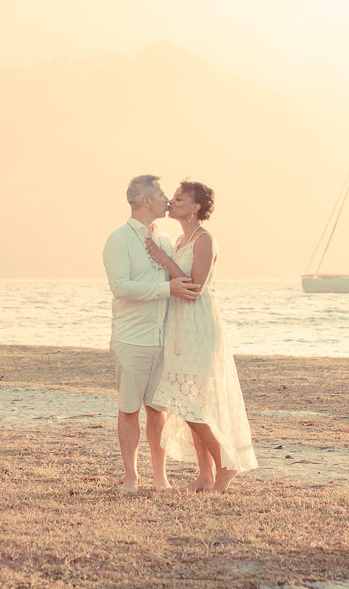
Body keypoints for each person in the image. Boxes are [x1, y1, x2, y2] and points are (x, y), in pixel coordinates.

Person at [147, 180, 257, 492]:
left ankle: (227, 463)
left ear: (196, 207)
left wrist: (163, 259)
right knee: (194, 401)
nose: (172, 202)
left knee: (187, 404)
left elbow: (194, 290)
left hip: (199, 326)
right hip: (179, 326)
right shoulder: (182, 238)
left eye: (179, 199)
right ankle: (205, 476)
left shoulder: (205, 240)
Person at [102, 175, 201, 493]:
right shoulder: (118, 240)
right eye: (160, 194)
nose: (166, 199)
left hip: (164, 339)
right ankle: (131, 476)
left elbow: (180, 279)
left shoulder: (165, 240)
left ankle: (161, 476)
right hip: (132, 339)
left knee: (158, 410)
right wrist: (166, 288)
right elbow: (121, 287)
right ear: (146, 201)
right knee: (129, 407)